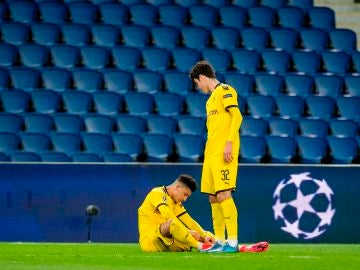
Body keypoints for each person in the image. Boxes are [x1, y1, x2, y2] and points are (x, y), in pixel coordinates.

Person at [189, 60, 243, 252]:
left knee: (224, 194)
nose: (198, 86)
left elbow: (237, 116)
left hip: (224, 151)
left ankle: (233, 242)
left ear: (202, 77)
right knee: (213, 197)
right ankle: (220, 242)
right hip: (210, 154)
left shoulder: (225, 90)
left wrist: (229, 143)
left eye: (197, 82)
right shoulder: (210, 100)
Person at [138, 174, 216, 252]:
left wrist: (204, 236)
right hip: (151, 241)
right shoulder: (157, 193)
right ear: (177, 187)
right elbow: (167, 214)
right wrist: (187, 232)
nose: (185, 199)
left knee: (206, 234)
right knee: (171, 224)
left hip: (169, 242)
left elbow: (189, 221)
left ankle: (217, 244)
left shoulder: (176, 203)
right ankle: (199, 246)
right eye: (185, 194)